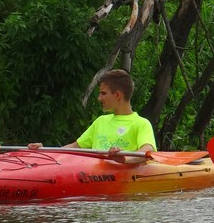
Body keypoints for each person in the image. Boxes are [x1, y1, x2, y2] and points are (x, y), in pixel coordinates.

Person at [28, 69, 157, 164]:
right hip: (93, 177)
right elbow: (75, 147)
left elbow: (147, 150)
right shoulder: (101, 121)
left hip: (121, 181)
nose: (99, 98)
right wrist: (45, 151)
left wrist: (124, 159)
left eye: (103, 93)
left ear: (118, 95)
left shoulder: (141, 123)